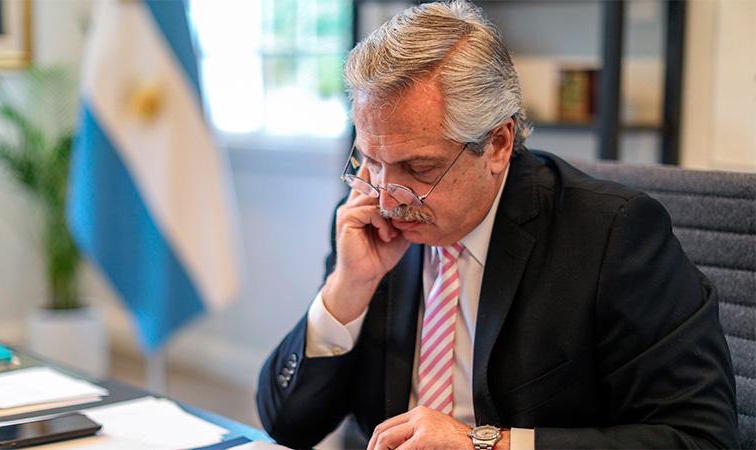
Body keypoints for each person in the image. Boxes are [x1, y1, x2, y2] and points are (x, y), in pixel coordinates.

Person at [256, 1, 739, 449]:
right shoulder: (367, 221)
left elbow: (699, 437)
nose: (386, 196)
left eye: (418, 168)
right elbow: (287, 424)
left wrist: (484, 444)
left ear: (499, 144)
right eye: (371, 161)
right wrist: (347, 288)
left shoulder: (612, 234)